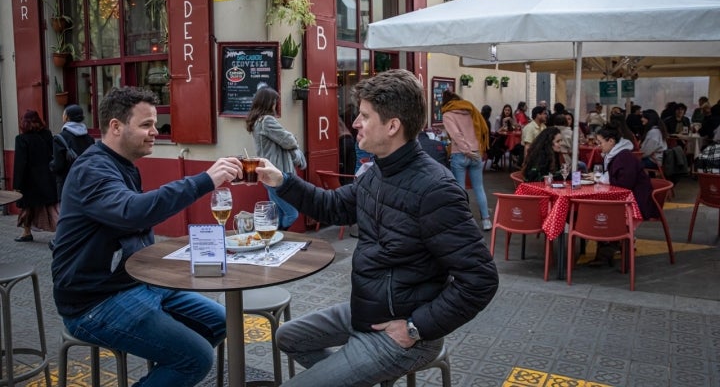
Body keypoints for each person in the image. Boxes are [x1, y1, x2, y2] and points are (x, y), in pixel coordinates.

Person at [255, 70, 499, 386]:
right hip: (370, 310)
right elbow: (333, 206)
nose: (355, 122)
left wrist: (415, 328)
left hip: (405, 331)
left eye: (365, 115)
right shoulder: (377, 173)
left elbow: (481, 279)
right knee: (288, 336)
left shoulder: (435, 189)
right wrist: (282, 181)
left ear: (393, 126)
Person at [51, 87, 241, 387]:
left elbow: (134, 224)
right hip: (93, 301)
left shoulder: (123, 165)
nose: (155, 131)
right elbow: (133, 212)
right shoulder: (92, 168)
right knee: (198, 358)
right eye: (146, 125)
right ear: (115, 126)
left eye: (154, 123)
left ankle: (168, 370)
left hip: (138, 284)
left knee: (222, 320)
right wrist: (205, 180)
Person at [246, 87, 305, 230]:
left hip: (268, 172)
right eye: (274, 101)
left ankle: (273, 241)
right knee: (292, 213)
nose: (276, 105)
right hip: (277, 173)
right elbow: (289, 140)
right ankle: (279, 234)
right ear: (268, 102)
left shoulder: (257, 121)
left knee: (276, 213)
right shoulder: (267, 121)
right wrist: (293, 138)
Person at [441, 90, 492, 230]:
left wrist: (465, 150)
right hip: (476, 153)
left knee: (460, 190)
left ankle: (464, 221)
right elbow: (479, 129)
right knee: (479, 188)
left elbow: (456, 135)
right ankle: (486, 220)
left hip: (460, 154)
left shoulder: (447, 114)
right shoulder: (470, 110)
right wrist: (475, 150)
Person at [13, 110, 58, 242]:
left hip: (30, 180)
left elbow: (20, 164)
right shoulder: (47, 134)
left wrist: (17, 185)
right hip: (47, 177)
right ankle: (61, 234)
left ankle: (26, 233)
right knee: (52, 208)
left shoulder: (22, 139)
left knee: (27, 208)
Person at [596, 124, 658, 220]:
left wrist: (603, 179)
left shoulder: (624, 157)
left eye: (600, 143)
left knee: (598, 208)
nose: (599, 146)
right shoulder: (617, 155)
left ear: (611, 141)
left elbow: (624, 185)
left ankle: (608, 232)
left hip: (637, 202)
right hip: (634, 198)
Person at [49, 104, 95, 199]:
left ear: (67, 117)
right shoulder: (89, 139)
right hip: (86, 182)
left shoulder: (60, 138)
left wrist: (51, 165)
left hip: (66, 183)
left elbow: (58, 165)